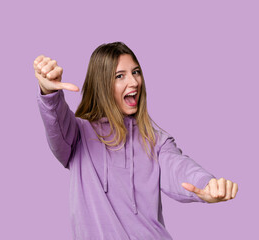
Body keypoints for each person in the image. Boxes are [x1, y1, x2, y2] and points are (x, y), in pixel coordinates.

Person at [33, 42, 238, 240]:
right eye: (120, 76)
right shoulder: (77, 134)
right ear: (101, 84)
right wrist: (50, 93)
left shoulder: (156, 140)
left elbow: (179, 168)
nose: (134, 82)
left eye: (136, 72)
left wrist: (208, 184)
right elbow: (56, 122)